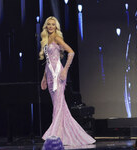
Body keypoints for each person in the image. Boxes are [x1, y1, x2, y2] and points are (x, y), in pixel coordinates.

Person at [39, 16, 96, 146]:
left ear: (56, 26)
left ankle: (53, 134)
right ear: (46, 26)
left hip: (58, 76)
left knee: (59, 106)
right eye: (49, 24)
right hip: (49, 75)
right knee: (59, 106)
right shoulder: (46, 40)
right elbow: (48, 61)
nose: (51, 26)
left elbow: (71, 52)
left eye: (53, 24)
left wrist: (65, 70)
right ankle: (65, 136)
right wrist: (44, 77)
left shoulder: (57, 38)